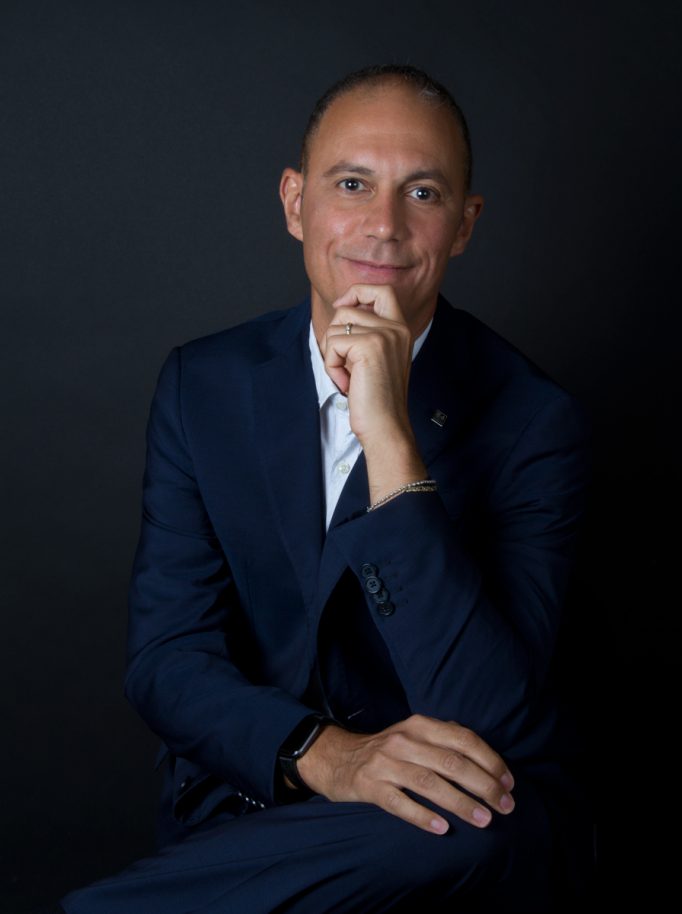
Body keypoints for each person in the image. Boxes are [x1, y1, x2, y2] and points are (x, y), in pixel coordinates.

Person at [55, 64, 593, 912]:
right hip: (253, 790)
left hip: (433, 831)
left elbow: (493, 722)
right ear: (295, 202)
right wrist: (330, 755)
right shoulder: (204, 383)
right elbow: (166, 660)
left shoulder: (534, 421)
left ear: (463, 225)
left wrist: (391, 436)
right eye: (351, 184)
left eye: (423, 193)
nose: (383, 225)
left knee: (477, 822)